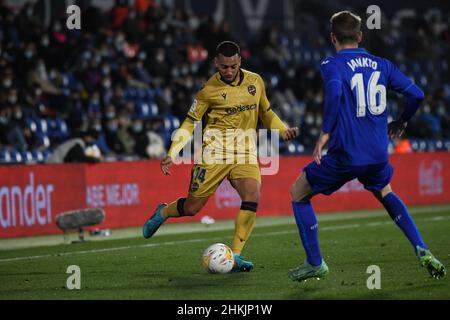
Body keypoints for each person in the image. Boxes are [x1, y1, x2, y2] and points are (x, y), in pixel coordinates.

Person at [288, 11, 446, 282]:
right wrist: (402, 121)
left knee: (298, 192)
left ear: (332, 37)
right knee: (386, 192)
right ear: (360, 36)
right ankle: (422, 248)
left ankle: (315, 262)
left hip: (347, 153)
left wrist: (325, 132)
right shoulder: (382, 64)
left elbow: (336, 92)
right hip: (377, 153)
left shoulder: (332, 64)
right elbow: (417, 94)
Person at [142, 41, 299, 272]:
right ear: (216, 63)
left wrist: (282, 130)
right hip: (214, 154)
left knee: (252, 195)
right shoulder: (208, 91)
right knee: (193, 208)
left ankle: (235, 255)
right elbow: (189, 122)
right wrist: (172, 152)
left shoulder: (255, 81)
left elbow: (266, 113)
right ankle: (164, 211)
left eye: (233, 66)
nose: (228, 71)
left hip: (245, 152)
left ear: (239, 62)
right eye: (224, 67)